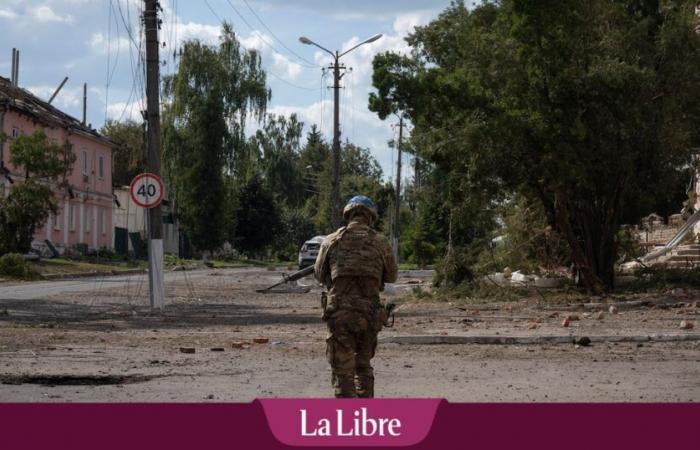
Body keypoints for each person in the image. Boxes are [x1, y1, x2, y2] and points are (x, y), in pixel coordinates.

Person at [314, 195, 398, 398]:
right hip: (369, 314)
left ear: (348, 214)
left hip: (340, 313)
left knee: (342, 367)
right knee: (363, 365)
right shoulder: (381, 242)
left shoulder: (331, 240)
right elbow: (392, 276)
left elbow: (319, 273)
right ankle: (365, 413)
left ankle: (348, 416)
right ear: (370, 217)